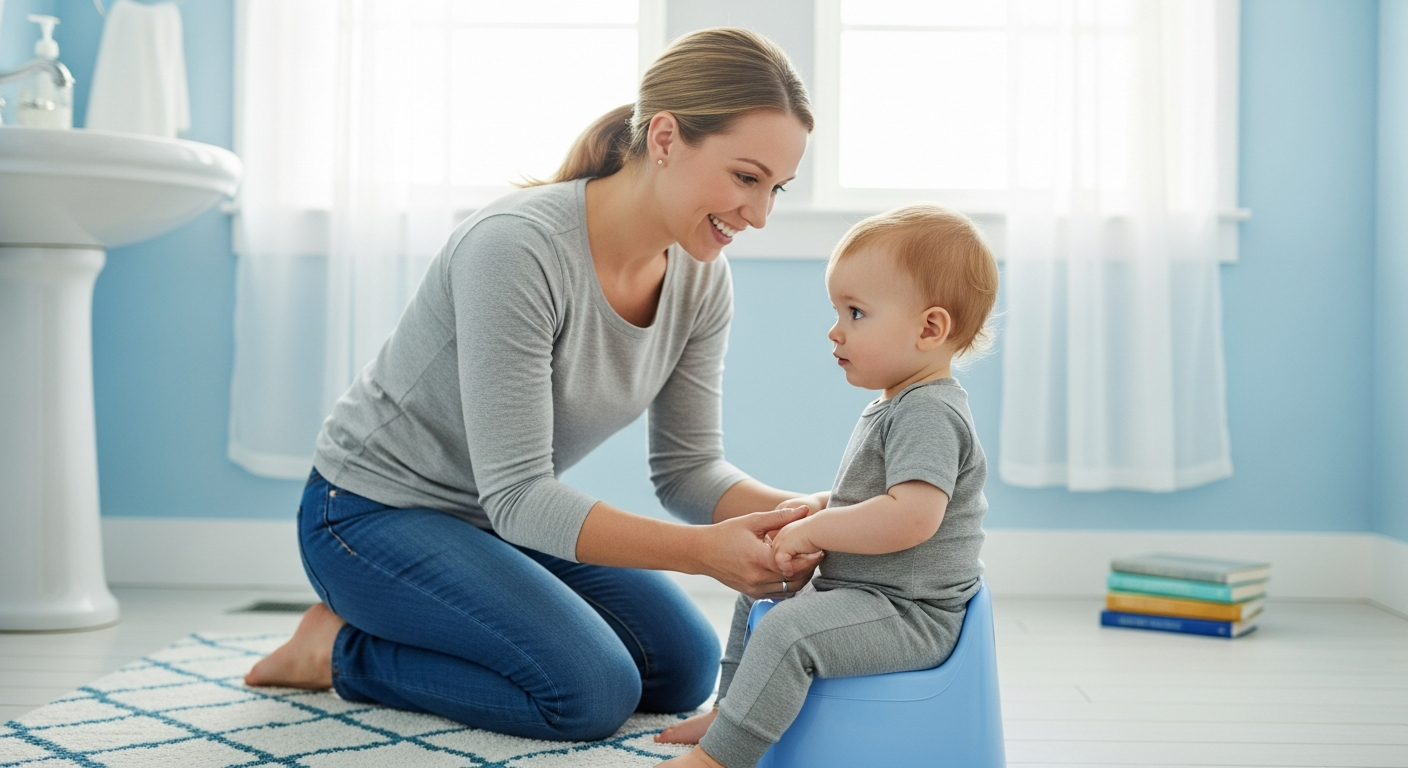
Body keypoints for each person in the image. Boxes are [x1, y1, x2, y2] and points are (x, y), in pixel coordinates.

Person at [243, 27, 826, 742]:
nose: (760, 214)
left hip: (494, 518)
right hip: (368, 515)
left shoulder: (702, 276)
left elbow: (687, 470)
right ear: (667, 137)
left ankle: (449, 612)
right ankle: (337, 651)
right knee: (587, 693)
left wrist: (809, 515)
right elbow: (521, 494)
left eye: (776, 188)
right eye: (746, 177)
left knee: (681, 664)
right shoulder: (517, 248)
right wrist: (704, 553)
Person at [654, 205, 1000, 768]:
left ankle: (722, 758)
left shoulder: (928, 414)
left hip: (912, 613)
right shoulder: (899, 405)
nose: (835, 330)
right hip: (871, 594)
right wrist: (817, 506)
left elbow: (911, 517)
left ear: (930, 328)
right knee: (758, 586)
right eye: (838, 310)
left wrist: (818, 527)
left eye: (856, 313)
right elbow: (876, 498)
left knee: (789, 633)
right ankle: (729, 711)